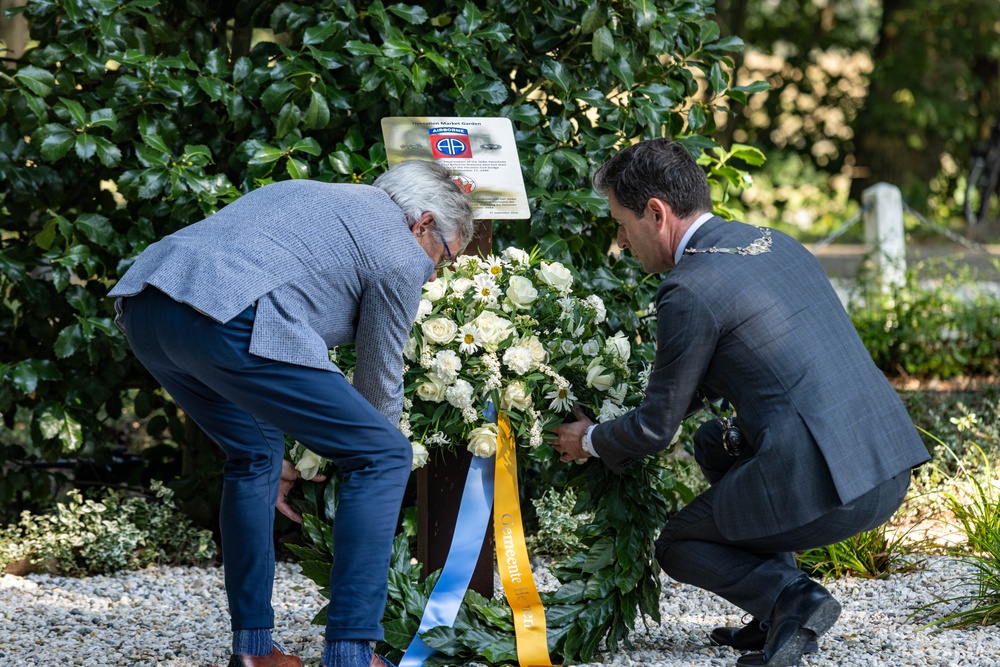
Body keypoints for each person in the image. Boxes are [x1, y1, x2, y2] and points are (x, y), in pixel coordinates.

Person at [550, 139, 929, 667]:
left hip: (830, 489)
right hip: (885, 462)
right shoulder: (775, 242)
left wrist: (589, 439)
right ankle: (774, 617)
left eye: (621, 223)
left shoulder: (689, 287)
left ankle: (792, 599)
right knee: (713, 442)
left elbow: (657, 431)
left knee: (678, 544)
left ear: (655, 214)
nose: (620, 240)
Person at [109, 160, 474, 667]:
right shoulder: (399, 251)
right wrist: (365, 459)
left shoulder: (315, 195)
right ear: (424, 224)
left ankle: (255, 654)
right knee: (384, 454)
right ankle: (349, 656)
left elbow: (274, 302)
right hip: (228, 314)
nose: (436, 272)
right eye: (445, 256)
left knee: (256, 456)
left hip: (149, 305)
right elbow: (379, 383)